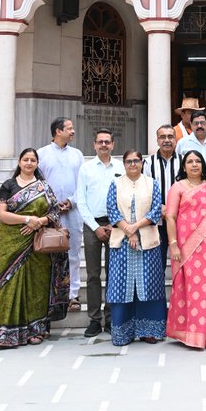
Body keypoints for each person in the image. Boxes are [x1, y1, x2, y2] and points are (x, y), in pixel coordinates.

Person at [0, 147, 69, 348]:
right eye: (26, 159)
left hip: (38, 244)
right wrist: (27, 219)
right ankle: (5, 330)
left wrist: (39, 221)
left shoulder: (43, 187)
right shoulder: (8, 185)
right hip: (11, 242)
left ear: (37, 163)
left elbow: (54, 213)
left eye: (33, 160)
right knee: (9, 284)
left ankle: (36, 329)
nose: (29, 163)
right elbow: (2, 214)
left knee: (37, 285)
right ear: (19, 162)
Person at [165, 149, 206, 349]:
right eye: (189, 161)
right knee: (189, 288)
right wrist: (174, 244)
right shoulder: (177, 187)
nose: (194, 165)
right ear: (184, 166)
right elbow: (170, 217)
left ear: (203, 165)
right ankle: (191, 334)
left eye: (197, 161)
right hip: (185, 248)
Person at [105, 150, 167, 344]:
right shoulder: (115, 184)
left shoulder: (152, 183)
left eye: (136, 161)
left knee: (149, 285)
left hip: (148, 243)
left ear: (142, 163)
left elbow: (157, 210)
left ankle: (148, 331)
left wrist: (136, 229)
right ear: (124, 164)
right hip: (121, 243)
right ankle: (123, 333)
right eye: (129, 161)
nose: (133, 164)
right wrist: (129, 232)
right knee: (121, 287)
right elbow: (111, 209)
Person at [77, 128, 123, 339]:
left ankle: (111, 318)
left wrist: (115, 224)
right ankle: (94, 319)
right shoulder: (86, 168)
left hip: (116, 225)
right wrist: (95, 226)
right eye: (100, 142)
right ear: (94, 145)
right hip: (92, 224)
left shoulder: (122, 167)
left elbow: (124, 198)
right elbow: (81, 200)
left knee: (114, 273)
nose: (104, 145)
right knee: (94, 275)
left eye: (107, 142)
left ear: (113, 145)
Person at [38, 117, 85, 310]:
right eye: (69, 128)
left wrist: (71, 201)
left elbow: (83, 183)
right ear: (58, 131)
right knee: (50, 253)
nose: (73, 131)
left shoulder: (77, 154)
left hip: (73, 210)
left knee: (73, 253)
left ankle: (73, 295)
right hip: (49, 213)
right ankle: (50, 294)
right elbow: (39, 184)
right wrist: (52, 203)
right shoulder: (42, 154)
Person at [143, 124, 180, 268]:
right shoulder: (147, 163)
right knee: (157, 265)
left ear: (176, 140)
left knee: (182, 261)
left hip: (180, 220)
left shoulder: (184, 161)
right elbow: (144, 190)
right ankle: (158, 291)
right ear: (157, 140)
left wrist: (173, 209)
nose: (166, 140)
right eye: (162, 137)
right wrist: (159, 207)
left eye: (170, 137)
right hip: (156, 221)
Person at [178, 110, 206, 174]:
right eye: (196, 123)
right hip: (191, 183)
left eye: (202, 123)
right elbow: (178, 164)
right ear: (191, 124)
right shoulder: (182, 143)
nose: (199, 126)